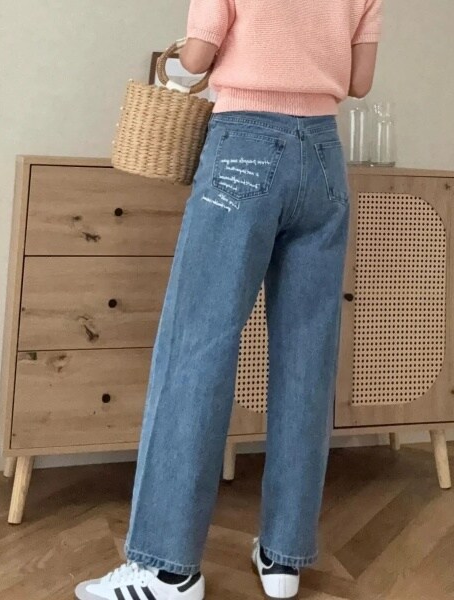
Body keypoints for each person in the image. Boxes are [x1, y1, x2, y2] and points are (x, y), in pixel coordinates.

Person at [75, 0, 382, 598]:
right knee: (307, 358)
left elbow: (196, 58)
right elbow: (359, 81)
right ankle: (284, 557)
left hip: (244, 142)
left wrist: (192, 55)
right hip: (324, 157)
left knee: (197, 347)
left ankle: (167, 569)